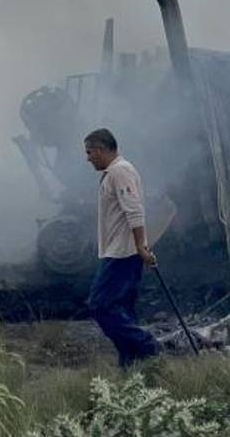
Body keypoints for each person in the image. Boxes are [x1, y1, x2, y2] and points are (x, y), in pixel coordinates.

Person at [83, 128, 160, 368]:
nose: (87, 158)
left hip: (122, 253)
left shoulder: (120, 171)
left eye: (89, 152)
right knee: (122, 308)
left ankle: (147, 345)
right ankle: (132, 363)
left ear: (101, 149)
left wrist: (140, 246)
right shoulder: (115, 172)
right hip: (121, 251)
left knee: (100, 305)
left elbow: (134, 209)